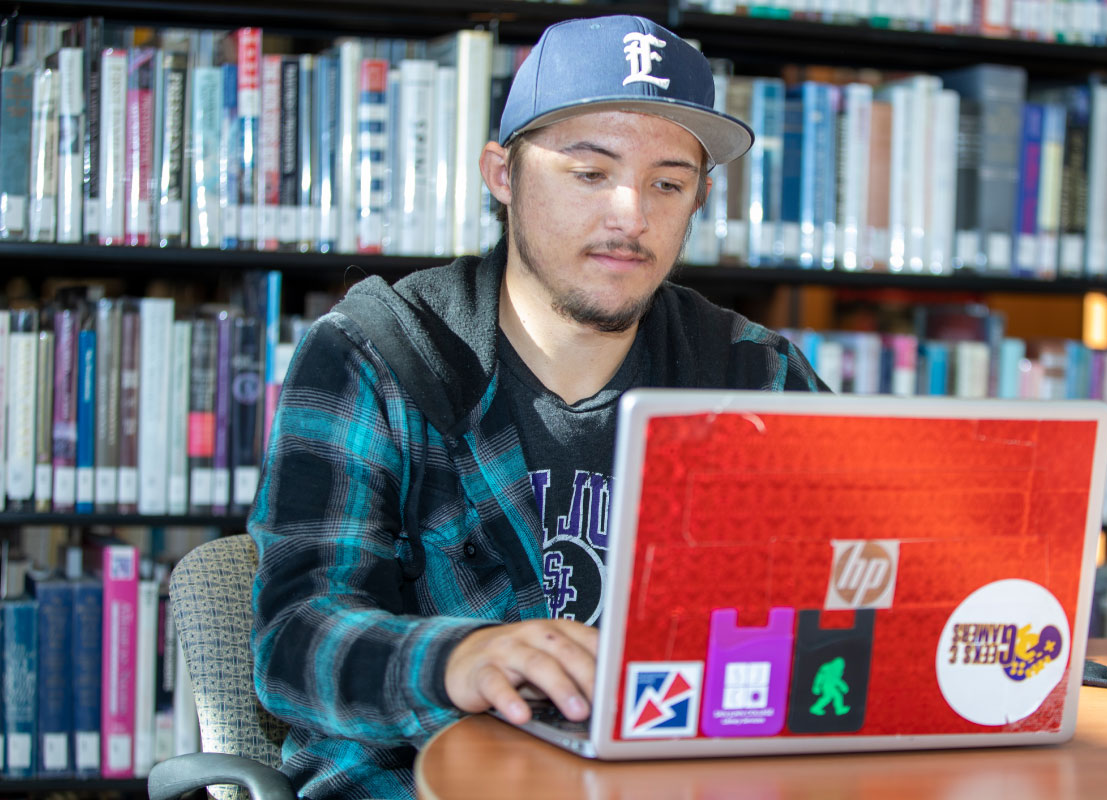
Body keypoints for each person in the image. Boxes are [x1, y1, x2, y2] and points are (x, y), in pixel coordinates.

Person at [249, 14, 827, 799]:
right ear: (503, 174)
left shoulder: (751, 373)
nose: (631, 215)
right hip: (421, 779)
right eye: (589, 173)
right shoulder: (375, 355)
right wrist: (459, 659)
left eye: (668, 182)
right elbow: (294, 638)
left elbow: (868, 589)